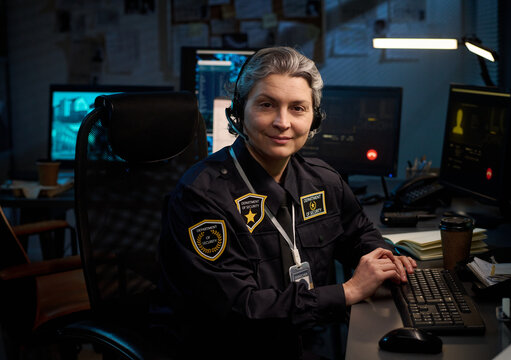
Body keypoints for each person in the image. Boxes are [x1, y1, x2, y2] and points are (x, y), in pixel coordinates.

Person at [158, 46, 417, 359]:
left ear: (314, 119)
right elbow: (242, 307)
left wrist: (383, 258)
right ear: (238, 113)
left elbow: (359, 233)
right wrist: (348, 291)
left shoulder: (322, 180)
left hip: (310, 343)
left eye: (298, 108)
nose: (283, 122)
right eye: (267, 105)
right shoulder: (202, 196)